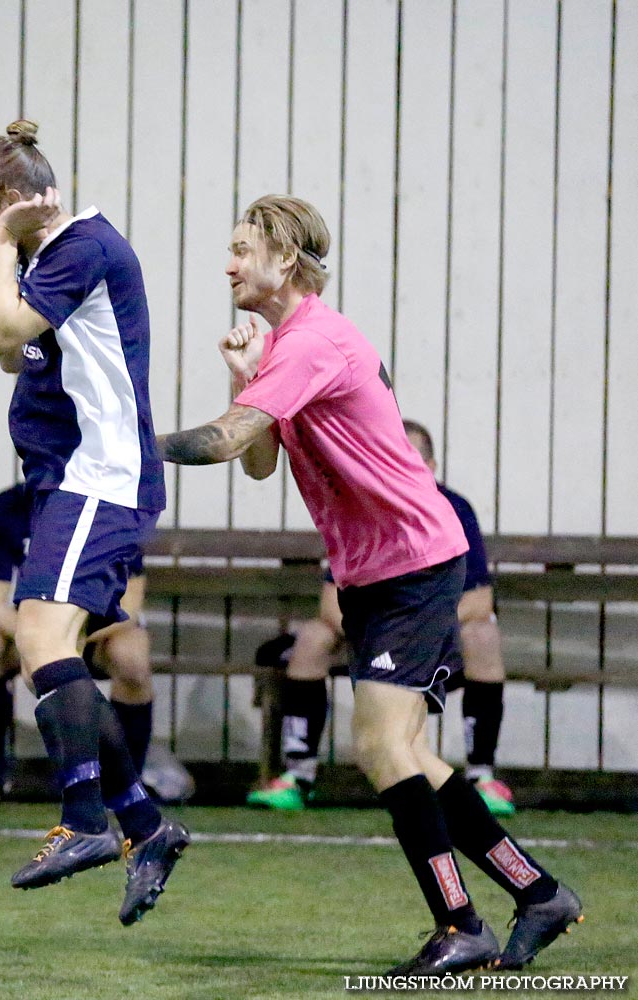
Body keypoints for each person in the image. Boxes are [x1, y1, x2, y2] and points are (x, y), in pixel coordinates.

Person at [156, 195, 581, 972]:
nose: (226, 264)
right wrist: (244, 379)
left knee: (381, 745)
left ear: (284, 259)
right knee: (410, 754)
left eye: (239, 248)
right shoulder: (288, 348)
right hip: (378, 571)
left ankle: (460, 925)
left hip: (412, 564)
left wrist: (131, 442)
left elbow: (224, 444)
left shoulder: (316, 340)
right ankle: (539, 894)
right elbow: (257, 459)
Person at [0, 120, 188, 925]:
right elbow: (14, 356)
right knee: (46, 646)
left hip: (100, 477)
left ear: (14, 202)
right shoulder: (48, 256)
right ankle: (146, 828)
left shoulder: (83, 246)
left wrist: (2, 260)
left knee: (40, 640)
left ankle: (87, 824)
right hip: (68, 483)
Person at [250, 419, 516, 816]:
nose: (406, 468)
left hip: (434, 634)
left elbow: (479, 603)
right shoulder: (361, 506)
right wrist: (383, 632)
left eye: (416, 460)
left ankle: (481, 776)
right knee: (311, 638)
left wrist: (418, 625)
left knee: (483, 636)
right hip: (371, 632)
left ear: (433, 466)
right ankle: (298, 775)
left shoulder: (454, 510)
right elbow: (330, 603)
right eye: (396, 457)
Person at [0, 482, 195, 804]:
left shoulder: (115, 502)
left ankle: (128, 781)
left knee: (131, 656)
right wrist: (43, 636)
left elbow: (129, 607)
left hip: (99, 630)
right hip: (35, 627)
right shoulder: (11, 506)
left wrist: (71, 636)